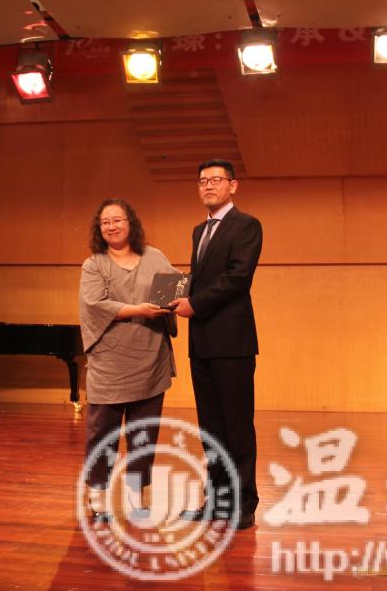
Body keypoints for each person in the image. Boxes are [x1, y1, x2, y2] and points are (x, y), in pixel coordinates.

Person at [171, 159, 263, 530]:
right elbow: (202, 276)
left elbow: (237, 278)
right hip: (202, 343)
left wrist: (194, 303)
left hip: (232, 342)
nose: (208, 186)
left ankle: (244, 504)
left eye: (216, 180)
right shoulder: (199, 230)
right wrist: (174, 292)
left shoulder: (247, 225)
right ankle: (218, 500)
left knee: (236, 426)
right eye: (202, 181)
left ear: (233, 185)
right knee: (210, 428)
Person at [78, 198, 178, 523]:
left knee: (143, 435)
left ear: (130, 222)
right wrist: (137, 310)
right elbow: (94, 304)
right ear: (99, 229)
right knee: (102, 433)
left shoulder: (155, 257)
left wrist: (175, 299)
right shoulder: (94, 264)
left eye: (118, 220)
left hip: (150, 360)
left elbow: (174, 289)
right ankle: (98, 498)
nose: (112, 226)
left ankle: (138, 497)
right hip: (109, 363)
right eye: (105, 222)